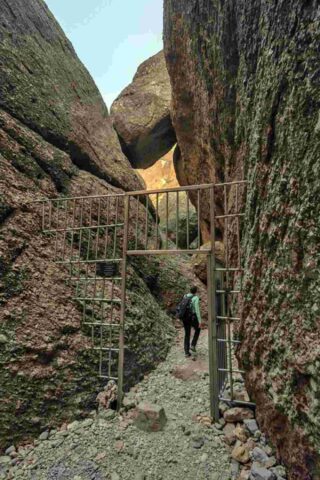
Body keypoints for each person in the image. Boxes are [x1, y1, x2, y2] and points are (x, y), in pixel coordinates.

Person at [180, 285, 202, 357]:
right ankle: (193, 345)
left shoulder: (185, 296)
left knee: (187, 334)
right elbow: (197, 310)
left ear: (190, 290)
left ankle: (186, 352)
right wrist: (200, 321)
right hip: (192, 318)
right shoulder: (196, 298)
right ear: (196, 291)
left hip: (185, 318)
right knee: (198, 329)